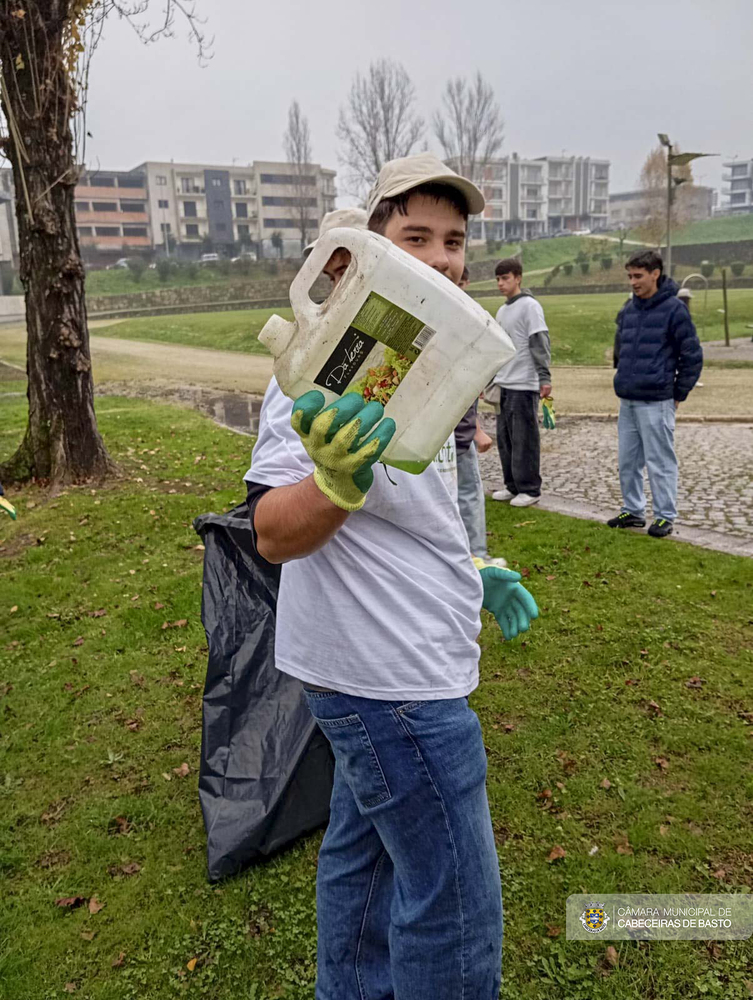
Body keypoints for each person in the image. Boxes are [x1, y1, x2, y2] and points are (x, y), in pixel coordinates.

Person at [243, 152, 539, 1000]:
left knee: (363, 864)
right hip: (392, 683)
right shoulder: (328, 356)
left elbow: (406, 512)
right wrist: (333, 483)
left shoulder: (416, 355)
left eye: (455, 241)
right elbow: (270, 530)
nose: (444, 257)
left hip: (391, 660)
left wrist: (469, 566)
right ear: (369, 247)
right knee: (452, 907)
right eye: (416, 235)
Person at [608, 249, 703, 538]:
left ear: (655, 274)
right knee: (628, 460)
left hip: (657, 400)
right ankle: (634, 511)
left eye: (638, 276)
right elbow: (620, 347)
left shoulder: (675, 310)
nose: (633, 282)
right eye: (630, 276)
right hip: (628, 400)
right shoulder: (628, 309)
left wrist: (678, 393)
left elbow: (692, 356)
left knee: (660, 461)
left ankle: (664, 516)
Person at [489, 258, 552, 508]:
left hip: (524, 384)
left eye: (505, 278)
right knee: (505, 439)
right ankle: (512, 485)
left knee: (524, 439)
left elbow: (539, 342)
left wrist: (544, 377)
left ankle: (530, 488)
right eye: (498, 279)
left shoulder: (530, 306)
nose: (500, 284)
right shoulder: (502, 310)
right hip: (504, 384)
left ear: (518, 278)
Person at [454, 266, 506, 564]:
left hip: (461, 434)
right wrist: (474, 428)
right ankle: (473, 558)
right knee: (465, 497)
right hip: (453, 436)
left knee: (468, 496)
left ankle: (476, 557)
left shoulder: (473, 320)